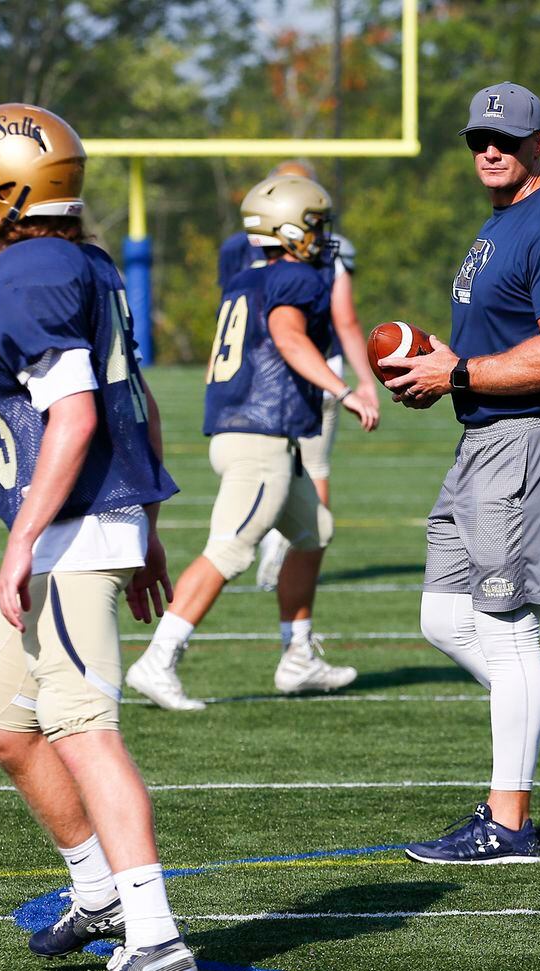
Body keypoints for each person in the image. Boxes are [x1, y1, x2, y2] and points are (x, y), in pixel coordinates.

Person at [0, 103, 196, 971]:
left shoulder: (23, 277)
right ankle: (98, 891)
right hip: (86, 524)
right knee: (4, 722)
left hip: (70, 531)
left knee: (83, 727)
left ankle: (155, 938)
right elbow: (142, 398)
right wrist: (147, 521)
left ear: (10, 184)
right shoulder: (83, 262)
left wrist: (22, 542)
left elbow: (81, 415)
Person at [383, 82, 540, 865]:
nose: (489, 149)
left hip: (528, 443)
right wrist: (437, 374)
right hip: (484, 440)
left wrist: (459, 375)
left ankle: (508, 821)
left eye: (506, 137)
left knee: (505, 627)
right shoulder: (504, 221)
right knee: (445, 618)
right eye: (477, 139)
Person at [126, 173, 375, 713]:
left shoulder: (245, 279)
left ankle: (298, 657)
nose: (322, 235)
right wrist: (344, 390)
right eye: (314, 224)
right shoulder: (300, 280)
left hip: (256, 432)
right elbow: (287, 336)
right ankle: (159, 659)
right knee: (231, 549)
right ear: (287, 229)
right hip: (260, 437)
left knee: (314, 532)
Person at [217, 159, 381, 591]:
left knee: (289, 483)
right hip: (312, 372)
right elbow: (339, 323)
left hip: (248, 380)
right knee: (312, 470)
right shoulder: (314, 262)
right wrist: (357, 385)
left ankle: (287, 564)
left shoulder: (240, 249)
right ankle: (284, 552)